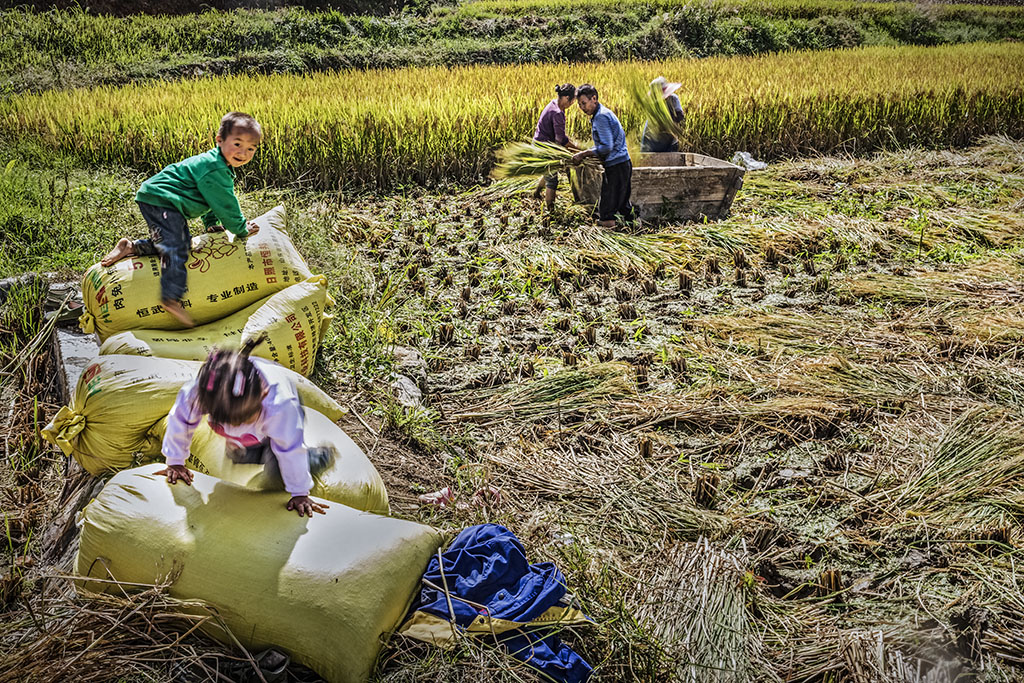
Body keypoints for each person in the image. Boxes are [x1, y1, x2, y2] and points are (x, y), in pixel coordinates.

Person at [100, 111, 263, 327]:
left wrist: (211, 224)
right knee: (175, 247)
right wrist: (241, 229)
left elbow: (212, 200)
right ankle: (170, 297)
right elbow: (226, 205)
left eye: (251, 148)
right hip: (162, 199)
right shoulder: (214, 168)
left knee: (179, 242)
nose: (243, 152)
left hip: (162, 199)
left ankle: (132, 247)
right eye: (238, 144)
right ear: (219, 140)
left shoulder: (218, 166)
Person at [155, 334, 333, 518]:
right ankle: (259, 450)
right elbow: (180, 420)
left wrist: (300, 493)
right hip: (250, 435)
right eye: (225, 419)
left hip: (278, 427)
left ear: (263, 394)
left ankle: (318, 457)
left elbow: (290, 450)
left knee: (275, 474)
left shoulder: (280, 407)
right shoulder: (197, 393)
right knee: (237, 456)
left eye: (243, 418)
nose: (235, 425)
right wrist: (175, 462)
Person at [571, 84, 636, 228]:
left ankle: (609, 236)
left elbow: (607, 147)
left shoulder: (601, 117)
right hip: (622, 163)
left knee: (607, 208)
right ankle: (635, 228)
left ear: (594, 99)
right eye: (579, 105)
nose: (582, 107)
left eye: (584, 103)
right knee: (622, 203)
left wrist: (584, 154)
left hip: (616, 166)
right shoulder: (602, 114)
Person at [531, 83, 579, 211]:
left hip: (539, 144)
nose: (573, 103)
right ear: (567, 98)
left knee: (547, 171)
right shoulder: (557, 112)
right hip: (544, 148)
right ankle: (550, 211)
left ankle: (536, 193)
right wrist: (578, 150)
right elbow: (561, 140)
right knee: (552, 180)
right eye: (573, 100)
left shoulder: (553, 103)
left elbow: (559, 135)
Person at [641, 76, 685, 153]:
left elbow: (680, 116)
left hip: (670, 136)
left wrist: (670, 122)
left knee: (670, 154)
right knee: (647, 154)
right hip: (652, 135)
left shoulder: (673, 99)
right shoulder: (652, 102)